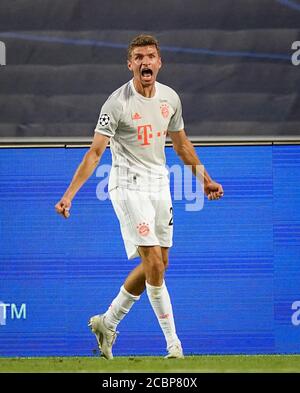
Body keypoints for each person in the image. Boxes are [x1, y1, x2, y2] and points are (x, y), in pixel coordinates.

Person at [55, 34, 224, 360]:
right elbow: (95, 153)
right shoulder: (116, 103)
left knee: (160, 264)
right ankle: (174, 344)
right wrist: (69, 195)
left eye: (150, 56)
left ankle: (108, 321)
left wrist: (205, 179)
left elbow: (181, 143)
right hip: (127, 186)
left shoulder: (170, 99)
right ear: (130, 64)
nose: (145, 62)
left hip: (159, 184)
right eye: (139, 57)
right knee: (153, 262)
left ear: (159, 63)